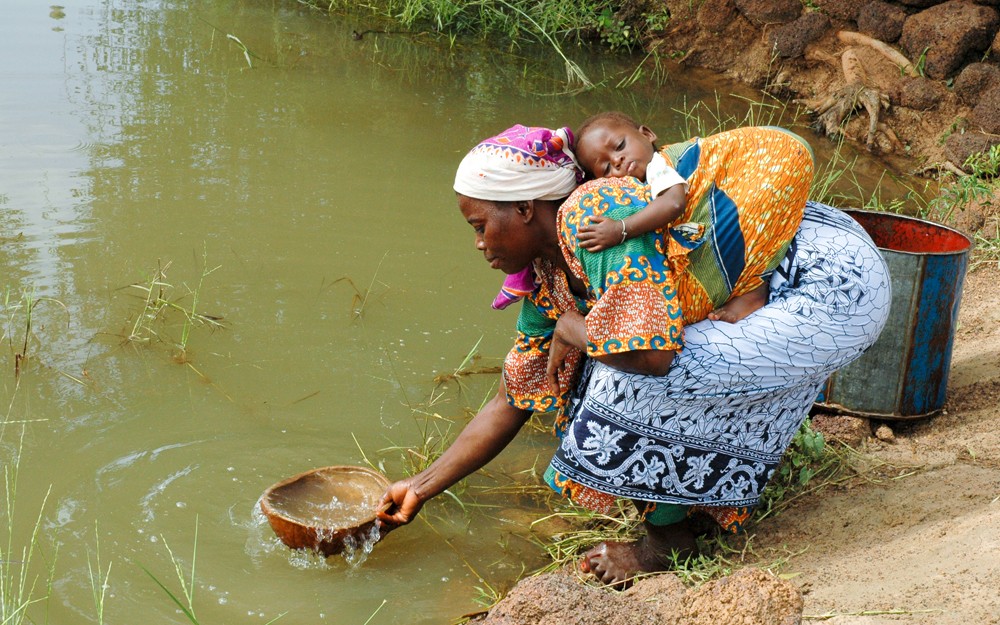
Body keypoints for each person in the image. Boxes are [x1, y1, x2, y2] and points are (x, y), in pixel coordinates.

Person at [377, 124, 891, 589]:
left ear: (525, 208)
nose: (477, 243)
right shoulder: (549, 277)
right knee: (584, 365)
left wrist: (573, 328)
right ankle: (695, 503)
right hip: (780, 287)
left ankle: (666, 544)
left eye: (478, 225)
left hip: (830, 284)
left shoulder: (595, 220)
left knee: (616, 376)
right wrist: (419, 489)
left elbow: (654, 359)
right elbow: (515, 395)